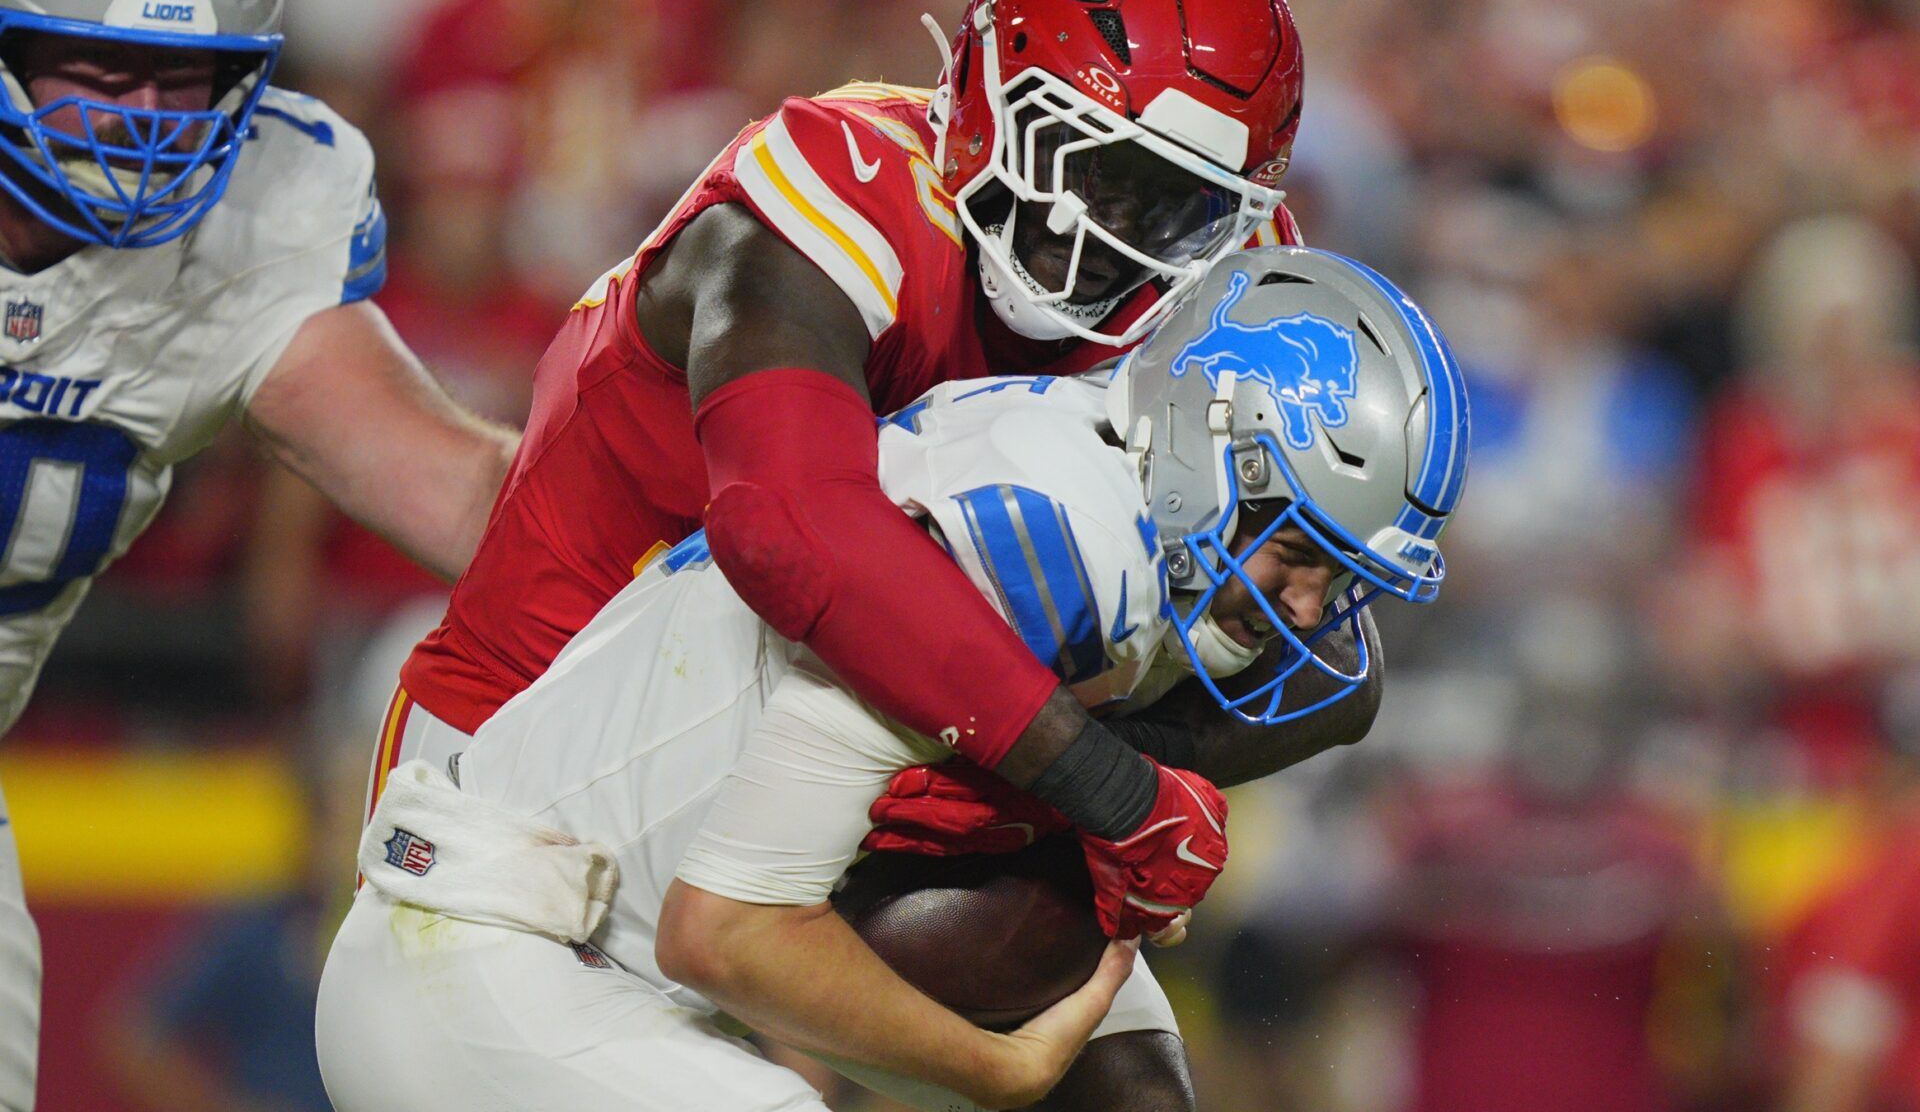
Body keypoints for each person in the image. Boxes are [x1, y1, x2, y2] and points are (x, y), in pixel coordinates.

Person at [384, 0, 1314, 982]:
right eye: (1091, 167)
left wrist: (1069, 772)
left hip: (850, 754)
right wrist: (1101, 784)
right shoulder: (836, 190)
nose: (1108, 240)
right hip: (530, 765)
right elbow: (789, 524)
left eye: (1173, 209)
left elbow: (1332, 652)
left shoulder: (1216, 288)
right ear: (981, 89)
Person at [318, 246, 1471, 1112]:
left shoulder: (1134, 526)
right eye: (1300, 553)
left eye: (1343, 573)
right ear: (1207, 448)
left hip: (632, 937)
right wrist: (998, 1071)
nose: (1309, 609)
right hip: (488, 953)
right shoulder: (1051, 553)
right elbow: (727, 934)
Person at [0, 0, 519, 1107]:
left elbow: (466, 498)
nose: (146, 117)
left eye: (189, 76)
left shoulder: (256, 219)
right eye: (102, 64)